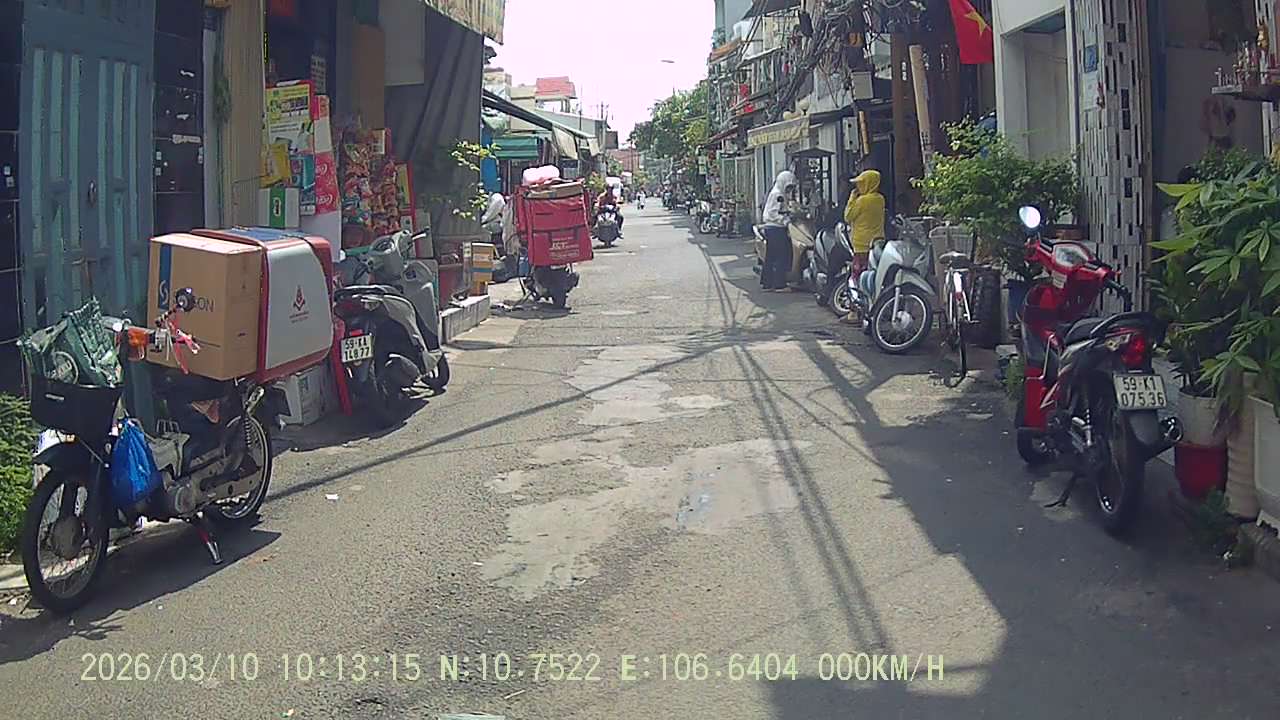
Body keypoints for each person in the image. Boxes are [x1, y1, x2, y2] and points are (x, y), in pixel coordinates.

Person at [841, 169, 886, 319]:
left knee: (857, 278)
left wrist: (852, 198)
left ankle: (855, 312)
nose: (858, 187)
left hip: (861, 245)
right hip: (877, 243)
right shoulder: (880, 199)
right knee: (874, 278)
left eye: (861, 183)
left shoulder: (862, 201)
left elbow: (848, 216)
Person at [760, 170, 797, 292]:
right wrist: (784, 220)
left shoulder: (778, 193)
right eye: (788, 186)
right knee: (781, 256)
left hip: (772, 228)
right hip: (776, 228)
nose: (789, 189)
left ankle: (767, 283)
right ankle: (779, 284)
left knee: (771, 257)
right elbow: (772, 213)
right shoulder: (777, 195)